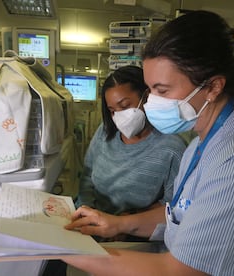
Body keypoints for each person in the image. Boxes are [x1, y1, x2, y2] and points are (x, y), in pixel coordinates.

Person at [60, 10, 234, 275]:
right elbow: (182, 214)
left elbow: (177, 271)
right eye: (151, 91)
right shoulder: (200, 145)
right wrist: (117, 224)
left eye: (162, 91)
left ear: (213, 87)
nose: (152, 103)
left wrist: (58, 248)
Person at [75, 65, 186, 219]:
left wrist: (125, 222)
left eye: (125, 105)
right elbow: (87, 178)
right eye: (113, 110)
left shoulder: (171, 149)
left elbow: (172, 204)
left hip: (132, 232)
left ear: (146, 97)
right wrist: (86, 209)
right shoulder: (105, 131)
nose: (119, 116)